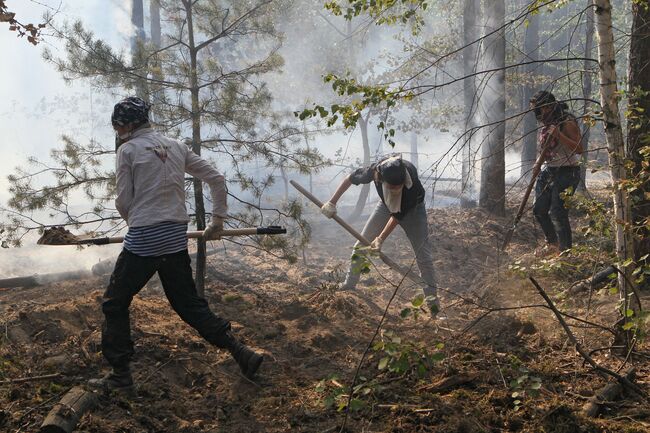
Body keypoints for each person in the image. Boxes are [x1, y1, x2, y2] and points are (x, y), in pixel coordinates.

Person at [90, 97, 262, 390]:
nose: (117, 130)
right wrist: (218, 219)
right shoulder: (176, 146)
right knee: (189, 305)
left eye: (118, 125)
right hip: (174, 238)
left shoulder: (128, 150)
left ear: (130, 124)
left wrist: (137, 222)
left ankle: (120, 375)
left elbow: (123, 201)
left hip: (144, 238)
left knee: (114, 303)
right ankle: (240, 352)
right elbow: (217, 178)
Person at [321, 154, 439, 315]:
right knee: (361, 244)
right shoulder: (375, 171)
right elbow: (350, 178)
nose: (396, 189)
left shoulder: (411, 182)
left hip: (413, 212)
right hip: (384, 206)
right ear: (380, 178)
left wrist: (380, 239)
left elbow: (397, 216)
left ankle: (434, 307)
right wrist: (332, 202)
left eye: (399, 186)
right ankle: (349, 283)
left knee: (424, 257)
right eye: (392, 187)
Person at [530, 90, 583, 255]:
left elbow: (579, 148)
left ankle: (565, 252)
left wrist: (559, 134)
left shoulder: (566, 121)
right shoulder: (547, 123)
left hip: (568, 171)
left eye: (540, 109)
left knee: (558, 212)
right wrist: (538, 163)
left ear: (549, 106)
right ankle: (552, 244)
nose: (538, 113)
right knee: (539, 209)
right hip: (549, 170)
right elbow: (546, 148)